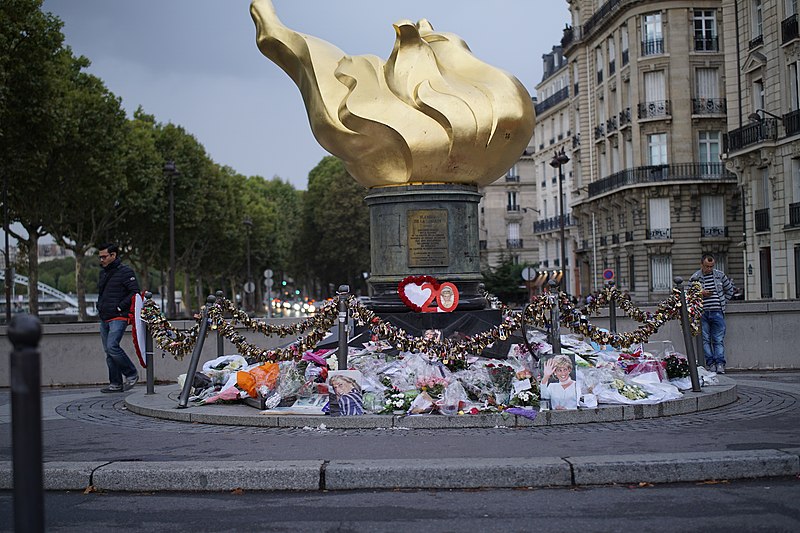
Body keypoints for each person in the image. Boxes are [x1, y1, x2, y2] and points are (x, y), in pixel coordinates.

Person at [97, 243, 140, 393]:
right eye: (100, 257)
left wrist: (120, 307)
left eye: (104, 256)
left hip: (118, 316)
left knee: (112, 347)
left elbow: (135, 292)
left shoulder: (125, 272)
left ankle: (131, 374)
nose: (101, 260)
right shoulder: (103, 273)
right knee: (109, 352)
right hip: (105, 316)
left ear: (113, 255)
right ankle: (115, 384)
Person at [691, 253, 735, 374]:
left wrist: (723, 303)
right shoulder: (695, 278)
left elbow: (730, 290)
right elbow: (689, 296)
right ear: (701, 265)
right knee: (705, 339)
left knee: (718, 339)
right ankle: (710, 364)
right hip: (703, 312)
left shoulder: (720, 276)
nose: (709, 269)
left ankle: (720, 364)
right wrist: (701, 293)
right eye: (707, 266)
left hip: (717, 312)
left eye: (711, 266)